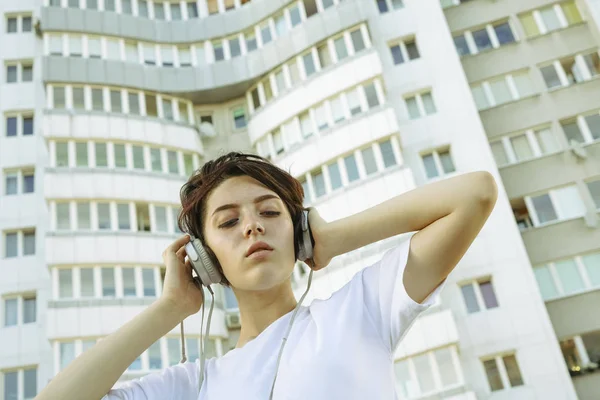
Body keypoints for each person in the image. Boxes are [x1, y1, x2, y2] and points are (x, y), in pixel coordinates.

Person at [35, 152, 498, 400]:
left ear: (297, 230)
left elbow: (474, 194)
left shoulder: (359, 311)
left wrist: (333, 238)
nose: (252, 226)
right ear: (204, 258)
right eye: (229, 221)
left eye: (270, 211)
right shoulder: (193, 384)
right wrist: (169, 309)